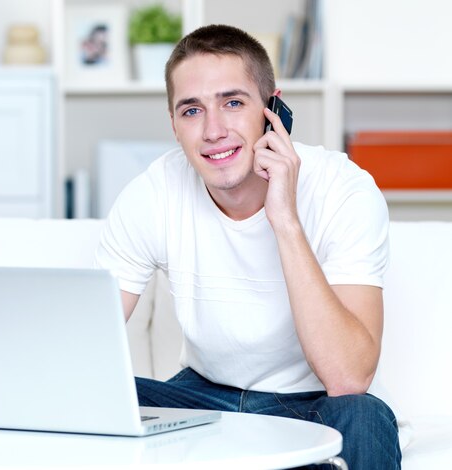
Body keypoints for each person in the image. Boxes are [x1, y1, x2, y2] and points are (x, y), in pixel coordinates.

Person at [95, 24, 400, 469]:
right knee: (103, 397)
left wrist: (286, 222)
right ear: (175, 125)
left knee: (363, 415)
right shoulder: (153, 192)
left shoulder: (343, 189)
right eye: (192, 111)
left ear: (271, 108)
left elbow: (348, 376)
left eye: (233, 103)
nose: (213, 130)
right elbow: (90, 336)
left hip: (312, 402)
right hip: (204, 398)